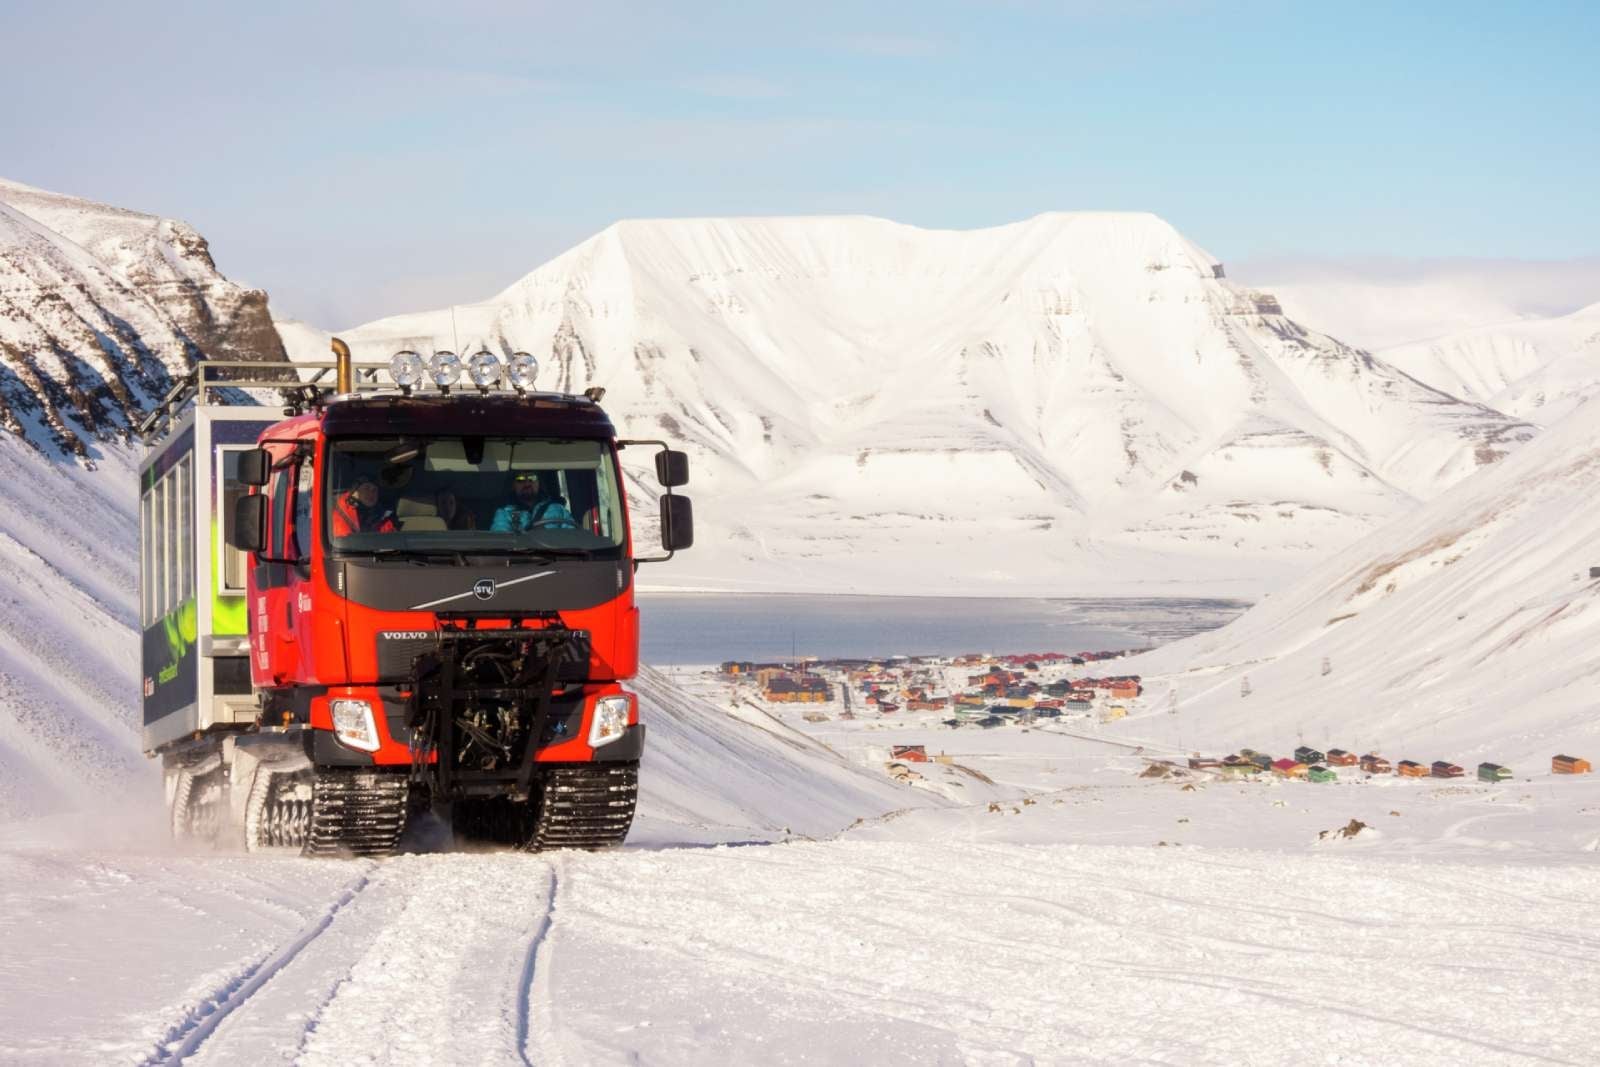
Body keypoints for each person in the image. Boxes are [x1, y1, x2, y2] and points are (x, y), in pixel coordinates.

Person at [490, 473, 576, 532]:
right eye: (520, 479)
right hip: (519, 557)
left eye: (532, 478)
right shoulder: (504, 513)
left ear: (539, 483)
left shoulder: (558, 508)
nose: (527, 483)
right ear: (513, 485)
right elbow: (502, 541)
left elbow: (572, 537)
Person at [331, 478, 397, 537]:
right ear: (355, 492)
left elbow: (392, 539)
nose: (371, 493)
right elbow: (345, 543)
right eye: (366, 488)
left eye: (374, 490)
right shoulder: (341, 515)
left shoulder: (381, 516)